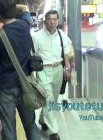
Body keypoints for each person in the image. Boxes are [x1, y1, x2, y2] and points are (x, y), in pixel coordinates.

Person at [0, 0, 40, 140]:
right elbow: (24, 8)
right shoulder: (25, 25)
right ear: (12, 10)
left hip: (5, 87)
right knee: (30, 125)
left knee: (8, 127)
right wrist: (8, 7)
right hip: (26, 84)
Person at [32, 10, 72, 140]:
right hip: (43, 71)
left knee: (53, 100)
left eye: (55, 19)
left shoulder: (61, 35)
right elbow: (33, 55)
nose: (53, 22)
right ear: (45, 21)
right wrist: (33, 75)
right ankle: (53, 132)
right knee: (48, 99)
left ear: (58, 21)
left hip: (58, 71)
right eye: (50, 19)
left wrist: (67, 68)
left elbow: (66, 52)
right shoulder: (37, 36)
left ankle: (43, 120)